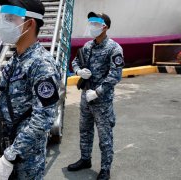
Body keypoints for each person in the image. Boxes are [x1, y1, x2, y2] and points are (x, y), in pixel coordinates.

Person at [0, 0, 61, 179]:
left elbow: (44, 118)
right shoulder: (15, 59)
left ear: (30, 23)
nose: (4, 23)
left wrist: (10, 157)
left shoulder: (41, 64)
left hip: (27, 157)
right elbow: (3, 92)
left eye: (11, 18)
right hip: (7, 144)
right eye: (5, 17)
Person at [67, 12, 124, 180]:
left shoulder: (114, 48)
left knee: (104, 135)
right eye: (90, 22)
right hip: (86, 97)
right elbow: (75, 61)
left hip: (102, 100)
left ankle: (105, 168)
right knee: (84, 130)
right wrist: (79, 71)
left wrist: (98, 92)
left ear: (104, 26)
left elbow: (115, 75)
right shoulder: (87, 46)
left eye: (94, 23)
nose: (91, 26)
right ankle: (85, 159)